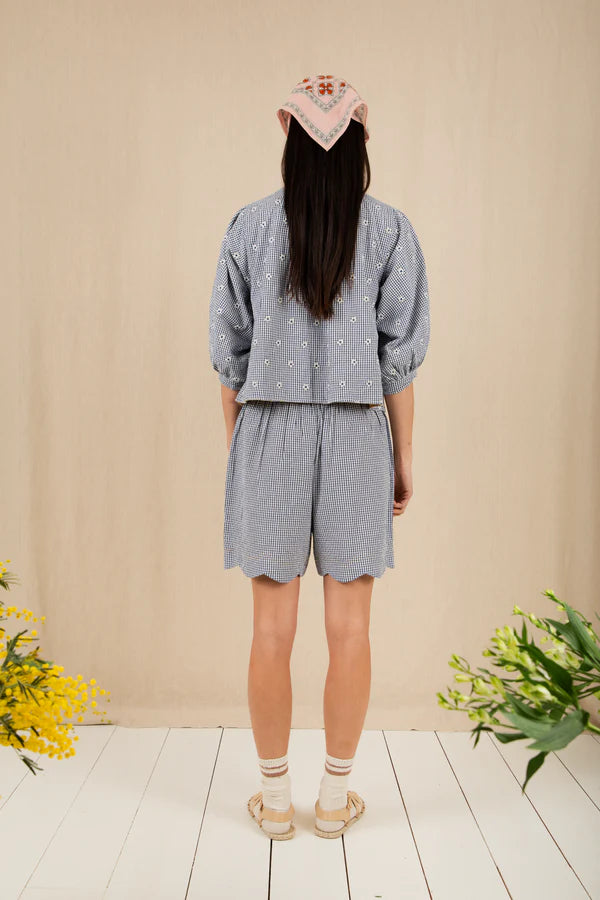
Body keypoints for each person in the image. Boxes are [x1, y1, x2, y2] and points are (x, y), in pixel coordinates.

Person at [208, 74, 431, 840]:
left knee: (270, 630)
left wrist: (242, 452)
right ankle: (334, 800)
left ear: (291, 139)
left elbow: (230, 361)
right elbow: (398, 362)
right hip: (357, 433)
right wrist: (405, 456)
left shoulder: (248, 227)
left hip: (267, 431)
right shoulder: (391, 230)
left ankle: (275, 802)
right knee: (351, 629)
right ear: (358, 139)